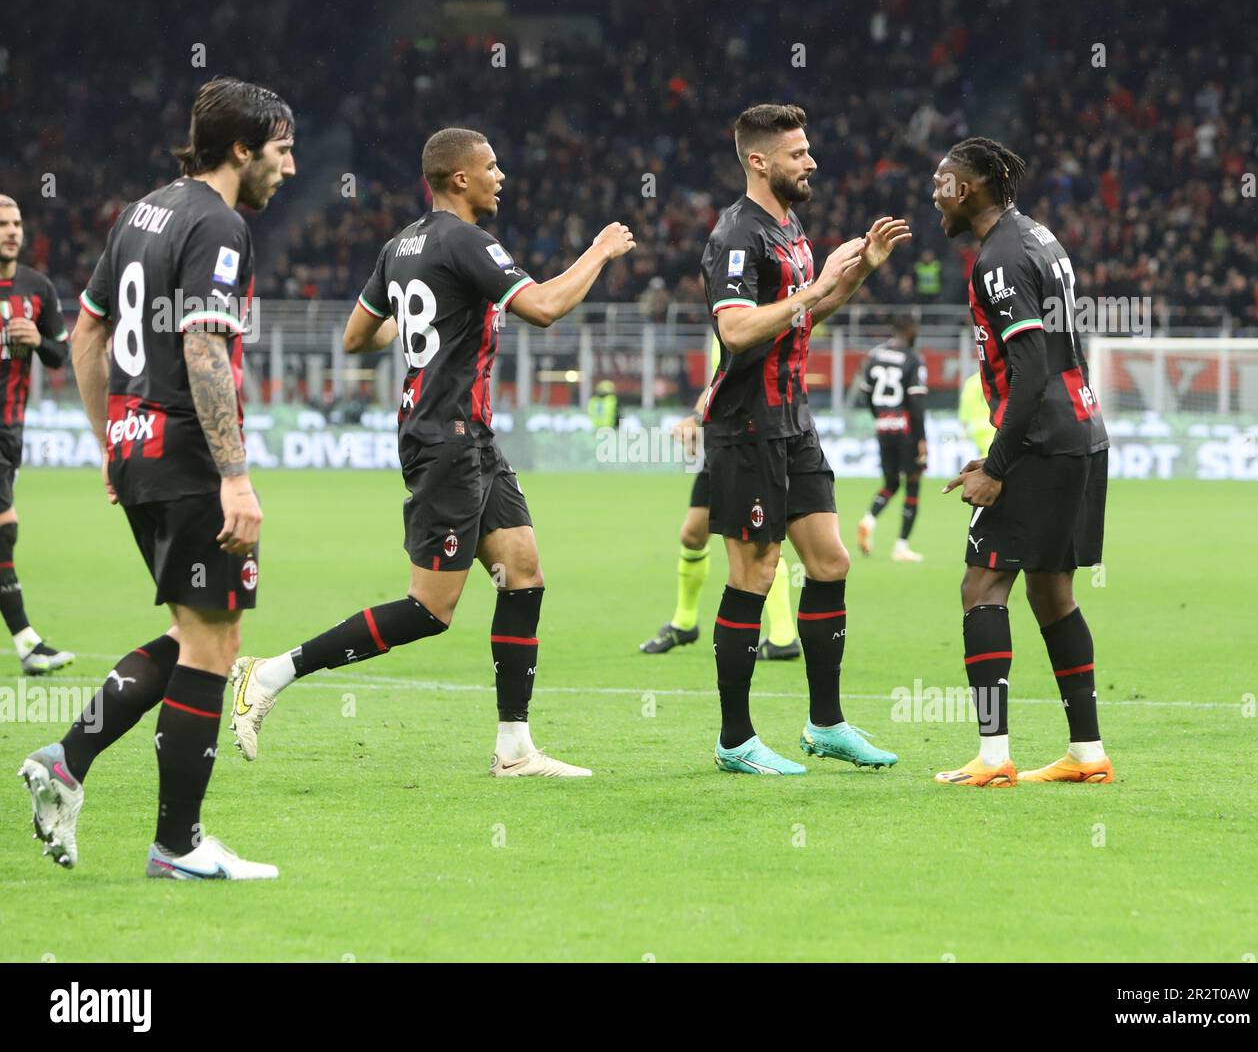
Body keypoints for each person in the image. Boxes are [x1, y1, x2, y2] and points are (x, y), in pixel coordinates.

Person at [226, 128, 635, 778]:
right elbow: (547, 307)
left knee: (523, 571)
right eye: (491, 166)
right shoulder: (467, 241)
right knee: (429, 609)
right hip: (444, 440)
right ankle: (271, 672)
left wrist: (426, 323)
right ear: (459, 178)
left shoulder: (401, 246)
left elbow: (357, 336)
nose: (501, 175)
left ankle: (514, 747)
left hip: (469, 437)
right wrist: (599, 251)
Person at [21, 77, 296, 877]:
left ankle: (68, 760)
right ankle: (177, 845)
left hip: (140, 448)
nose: (291, 165)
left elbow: (84, 331)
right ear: (241, 149)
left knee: (195, 631)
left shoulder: (144, 210)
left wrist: (113, 437)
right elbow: (206, 348)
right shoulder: (220, 223)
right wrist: (235, 477)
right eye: (281, 149)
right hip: (187, 457)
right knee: (214, 642)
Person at [701, 103, 910, 775]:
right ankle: (735, 740)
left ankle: (826, 724)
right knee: (755, 575)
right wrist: (818, 285)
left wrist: (858, 273)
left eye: (808, 150)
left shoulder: (790, 230)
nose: (811, 161)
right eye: (797, 153)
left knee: (830, 563)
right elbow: (735, 329)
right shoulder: (737, 235)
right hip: (747, 427)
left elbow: (806, 314)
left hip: (794, 422)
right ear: (759, 161)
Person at [933, 136, 1112, 787]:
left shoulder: (1000, 257)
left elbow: (1031, 368)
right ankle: (1087, 751)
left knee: (981, 586)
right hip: (1081, 431)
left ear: (974, 186)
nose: (935, 193)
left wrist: (997, 463)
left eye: (944, 182)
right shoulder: (1037, 237)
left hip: (1040, 440)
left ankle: (992, 754)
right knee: (1051, 588)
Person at [640, 337, 800, 661]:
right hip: (722, 439)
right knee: (693, 534)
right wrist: (697, 420)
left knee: (759, 538)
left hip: (755, 438)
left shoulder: (755, 313)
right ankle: (685, 622)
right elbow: (721, 377)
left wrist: (698, 420)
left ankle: (784, 636)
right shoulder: (725, 318)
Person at [0, 195, 75, 674]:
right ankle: (27, 641)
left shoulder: (37, 287)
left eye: (17, 223)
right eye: (3, 224)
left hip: (10, 430)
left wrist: (38, 340)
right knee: (4, 527)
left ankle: (27, 644)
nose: (12, 231)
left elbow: (60, 356)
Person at [855, 312, 928, 562]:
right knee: (913, 482)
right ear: (909, 331)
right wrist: (921, 440)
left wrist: (881, 418)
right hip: (906, 430)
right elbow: (916, 404)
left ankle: (868, 519)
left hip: (884, 428)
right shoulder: (913, 359)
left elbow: (865, 394)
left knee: (891, 483)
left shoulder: (874, 355)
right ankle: (901, 546)